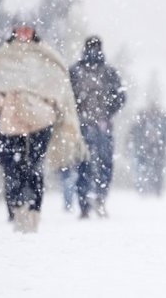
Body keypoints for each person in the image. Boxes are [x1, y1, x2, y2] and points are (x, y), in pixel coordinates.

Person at [0, 25, 86, 233]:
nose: (23, 35)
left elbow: (58, 83)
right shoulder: (4, 57)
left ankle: (34, 211)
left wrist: (49, 106)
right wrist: (3, 107)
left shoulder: (45, 56)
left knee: (35, 167)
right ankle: (19, 209)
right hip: (11, 122)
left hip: (40, 120)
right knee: (14, 168)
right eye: (19, 31)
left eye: (27, 31)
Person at [70, 35, 126, 218]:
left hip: (101, 125)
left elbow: (120, 97)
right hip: (84, 125)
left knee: (103, 164)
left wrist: (108, 111)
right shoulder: (76, 72)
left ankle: (97, 200)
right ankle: (87, 203)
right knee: (85, 164)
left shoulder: (108, 73)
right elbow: (66, 97)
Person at [127, 100, 166, 196]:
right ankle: (146, 189)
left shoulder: (161, 121)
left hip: (155, 149)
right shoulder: (144, 121)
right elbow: (133, 133)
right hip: (146, 149)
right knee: (146, 169)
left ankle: (153, 189)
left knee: (155, 169)